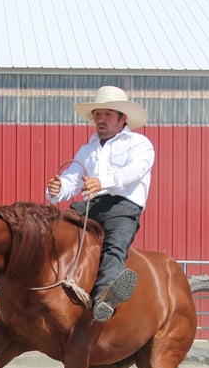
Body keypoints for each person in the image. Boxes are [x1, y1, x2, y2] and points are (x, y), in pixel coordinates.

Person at [46, 86, 155, 322]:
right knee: (55, 229)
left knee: (114, 247)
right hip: (92, 206)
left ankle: (104, 299)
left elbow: (134, 172)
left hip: (123, 207)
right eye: (97, 114)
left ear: (122, 118)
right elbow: (73, 179)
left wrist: (102, 182)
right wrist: (57, 188)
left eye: (107, 114)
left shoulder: (140, 144)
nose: (100, 119)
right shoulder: (87, 149)